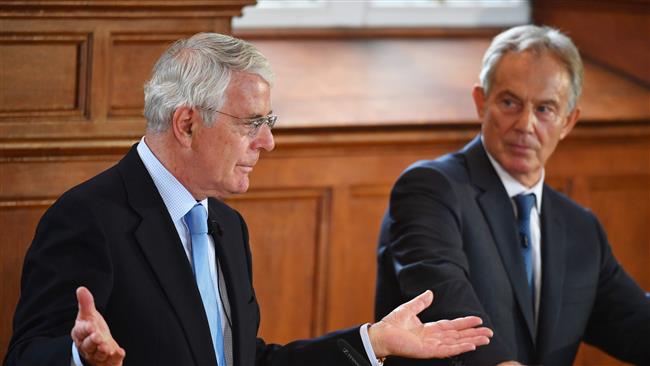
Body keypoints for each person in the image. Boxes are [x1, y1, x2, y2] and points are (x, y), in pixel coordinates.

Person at [5, 33, 493, 366]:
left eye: (268, 122)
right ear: (188, 124)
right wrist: (80, 358)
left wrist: (372, 342)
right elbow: (27, 355)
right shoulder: (87, 219)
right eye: (251, 123)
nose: (267, 142)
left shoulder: (227, 226)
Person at [375, 25, 650, 366]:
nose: (525, 124)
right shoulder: (430, 189)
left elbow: (637, 324)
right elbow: (444, 300)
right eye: (510, 102)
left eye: (545, 109)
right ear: (481, 102)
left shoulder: (581, 229)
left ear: (568, 122)